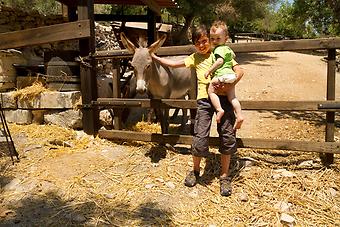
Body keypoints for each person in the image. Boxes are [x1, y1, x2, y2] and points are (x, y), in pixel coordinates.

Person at [151, 25, 244, 196]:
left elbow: (239, 70)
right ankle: (195, 171)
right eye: (197, 43)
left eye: (204, 41)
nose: (201, 45)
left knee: (227, 136)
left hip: (224, 99)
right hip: (204, 101)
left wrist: (232, 82)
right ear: (194, 45)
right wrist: (154, 57)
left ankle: (224, 176)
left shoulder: (220, 52)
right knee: (200, 136)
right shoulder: (194, 58)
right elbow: (173, 63)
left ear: (209, 40)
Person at [204, 20, 244, 129]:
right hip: (231, 76)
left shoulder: (218, 49)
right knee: (232, 98)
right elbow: (230, 60)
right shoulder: (228, 49)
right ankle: (239, 115)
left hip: (222, 75)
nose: (215, 41)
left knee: (211, 90)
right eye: (212, 38)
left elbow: (220, 62)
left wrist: (209, 71)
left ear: (225, 39)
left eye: (218, 38)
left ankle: (219, 109)